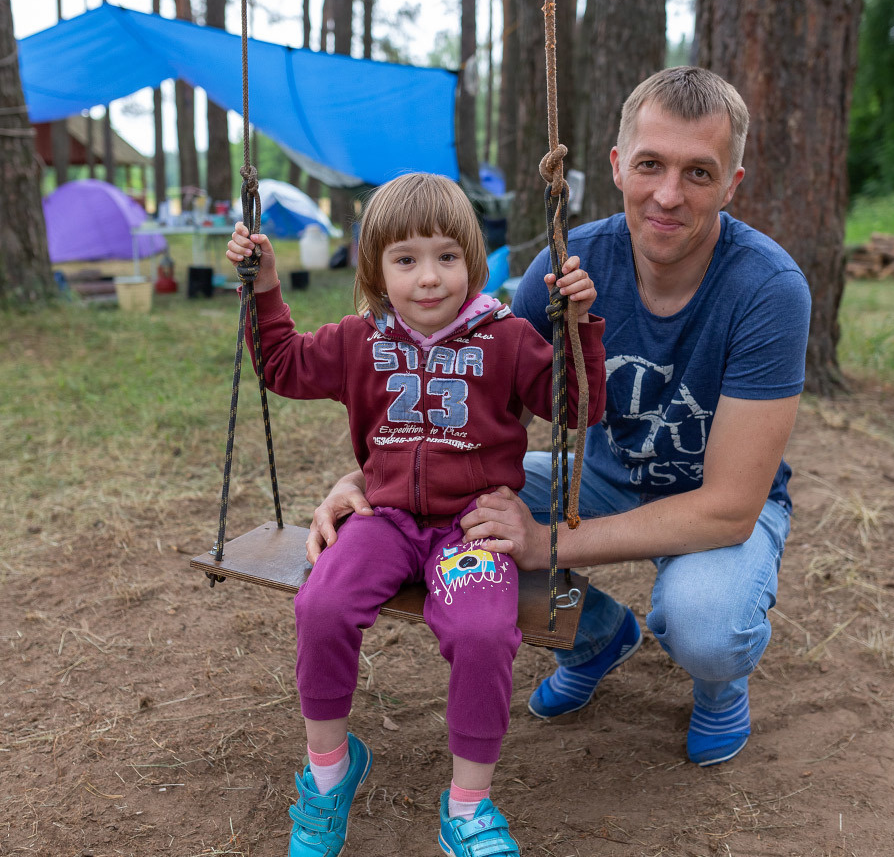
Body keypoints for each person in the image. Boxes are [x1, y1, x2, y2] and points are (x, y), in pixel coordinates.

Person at [310, 69, 812, 771]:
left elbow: (729, 509)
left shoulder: (769, 290)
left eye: (698, 172)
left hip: (719, 503)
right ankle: (598, 634)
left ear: (732, 183)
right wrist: (363, 479)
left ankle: (720, 687)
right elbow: (463, 409)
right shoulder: (563, 266)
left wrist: (545, 545)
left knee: (703, 623)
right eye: (650, 165)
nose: (668, 194)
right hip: (596, 476)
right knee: (456, 513)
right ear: (616, 167)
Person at [226, 173, 606, 857]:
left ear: (476, 261)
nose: (428, 277)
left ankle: (468, 808)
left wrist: (578, 327)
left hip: (472, 527)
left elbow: (575, 408)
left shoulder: (507, 338)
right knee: (323, 602)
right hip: (385, 520)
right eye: (405, 260)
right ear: (375, 272)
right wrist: (264, 288)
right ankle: (330, 770)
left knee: (481, 627)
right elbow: (282, 367)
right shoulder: (358, 341)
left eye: (446, 257)